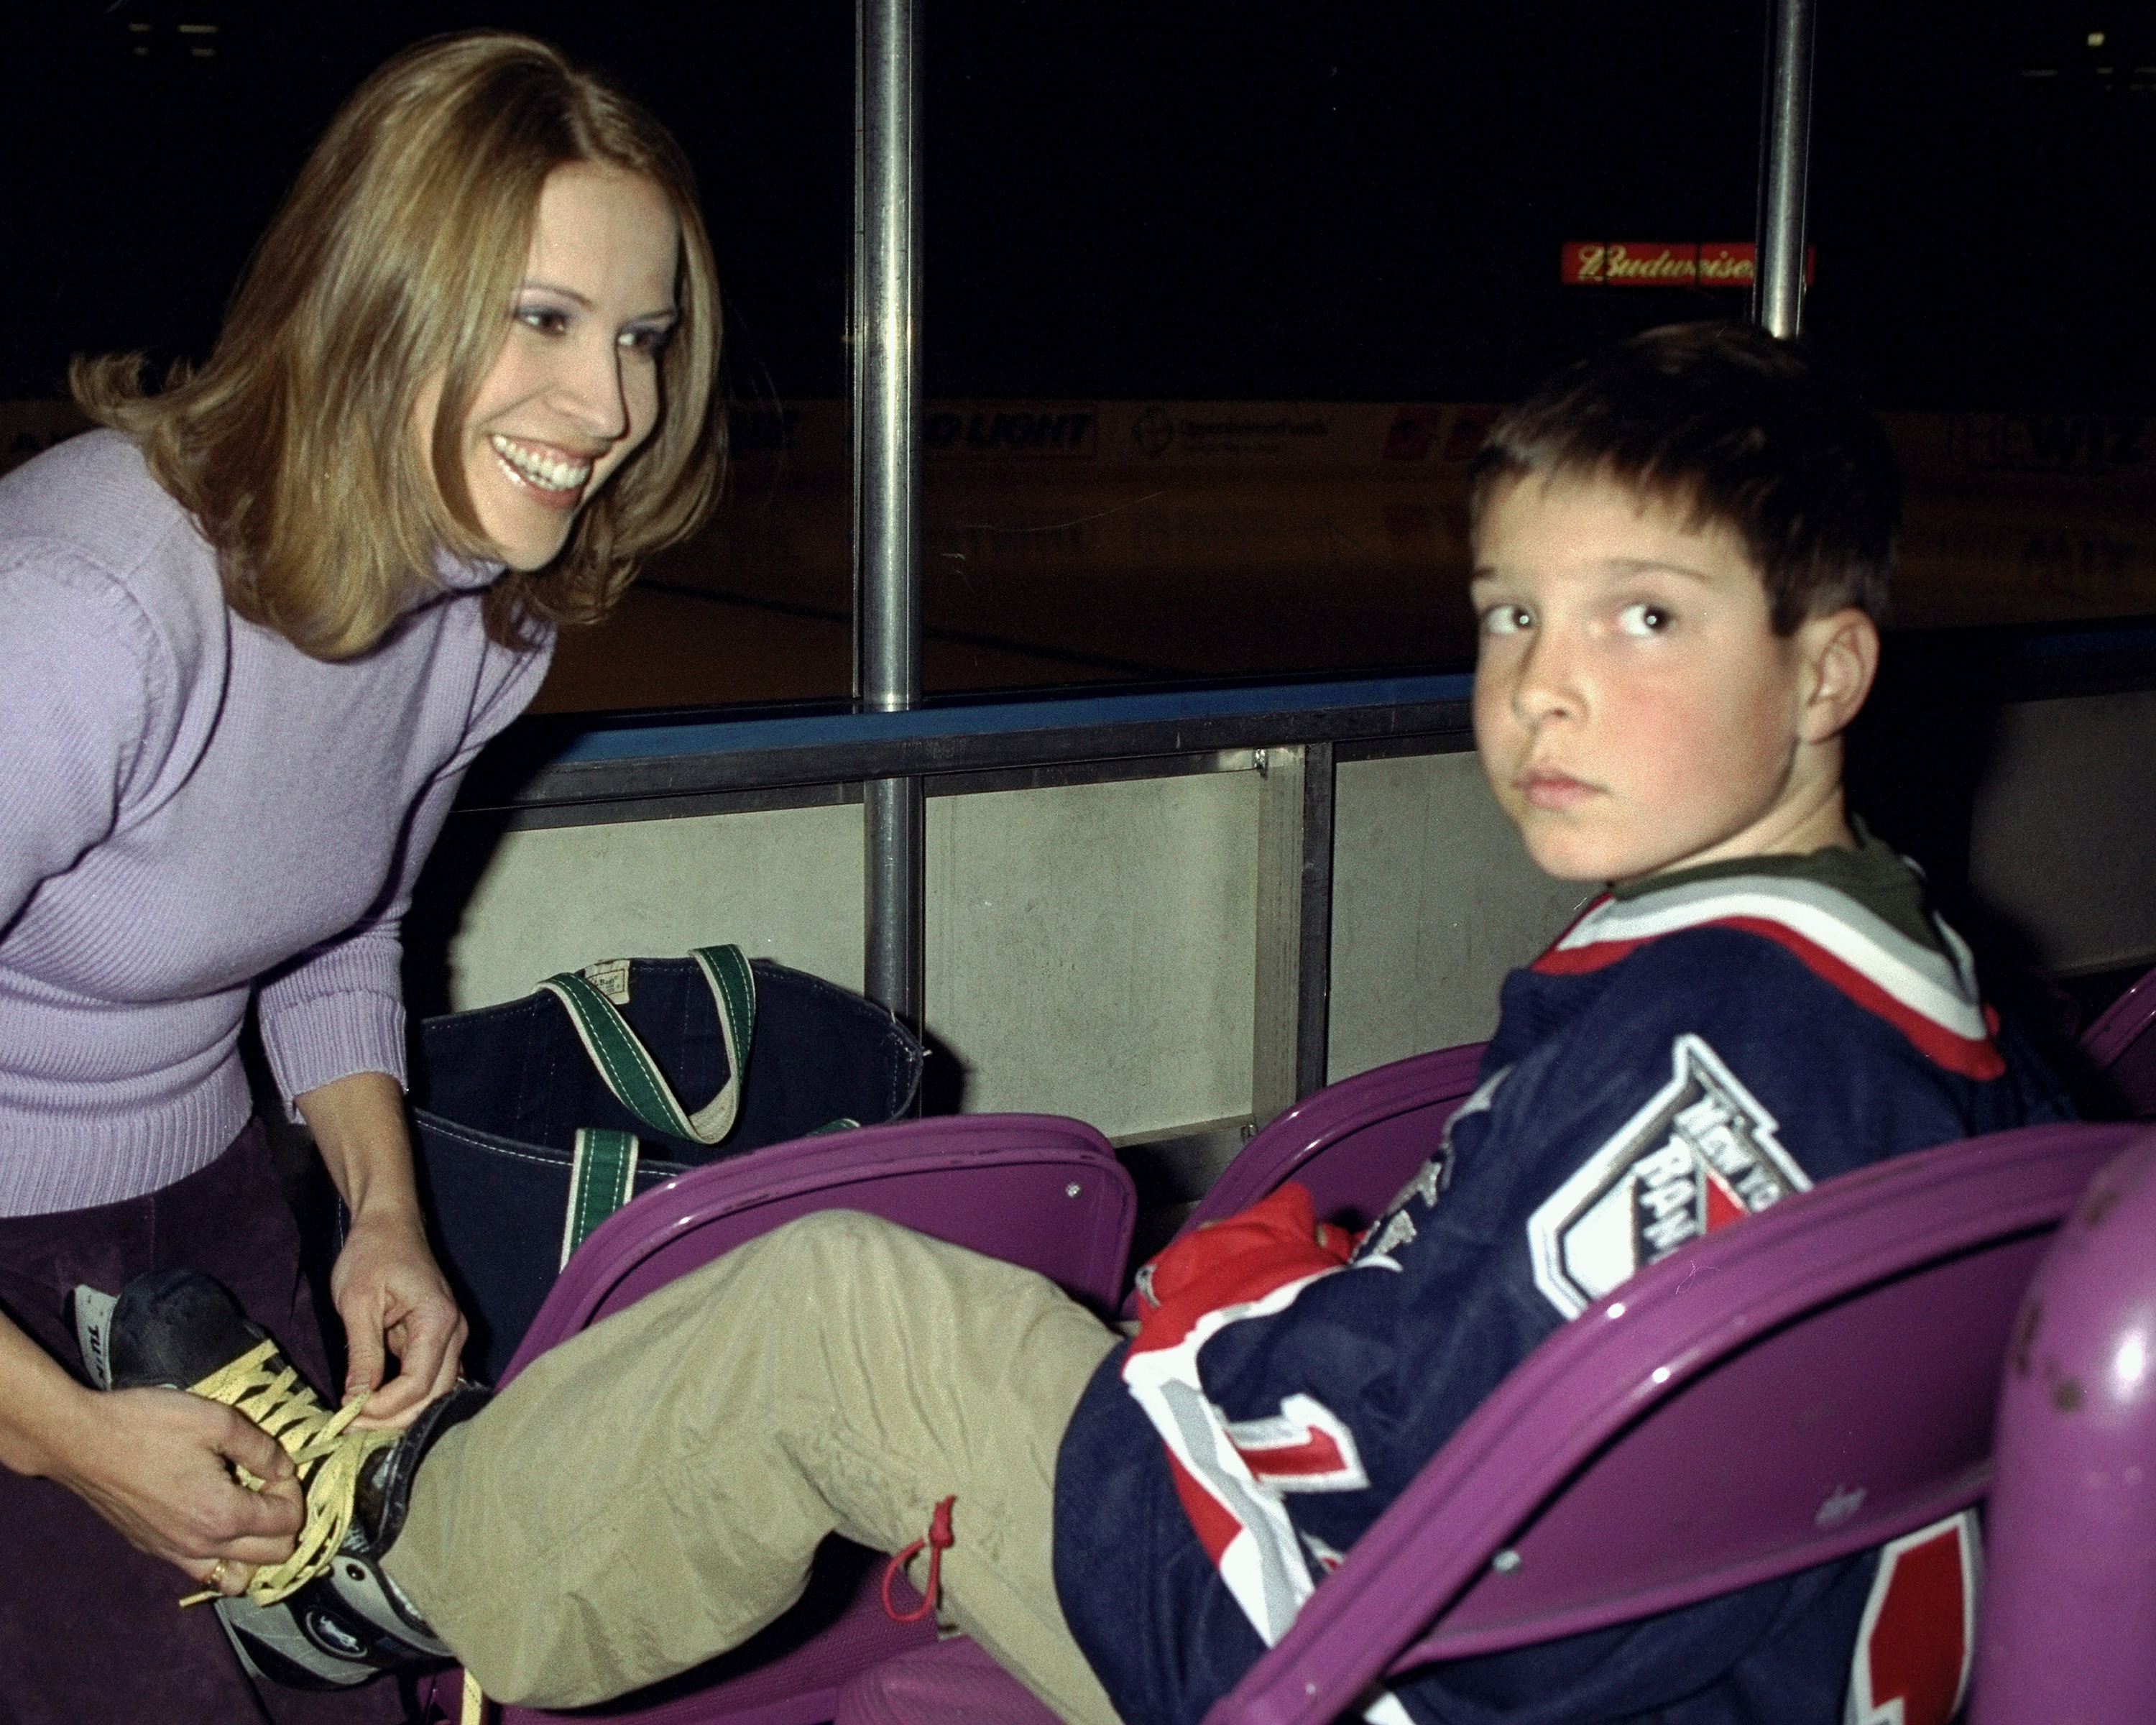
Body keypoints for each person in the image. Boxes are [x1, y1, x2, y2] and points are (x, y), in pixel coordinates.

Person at [122, 323, 2068, 1725]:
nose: (1541, 691)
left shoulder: (1697, 1039)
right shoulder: (1952, 1013)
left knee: (838, 1315)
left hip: (1328, 1650)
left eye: (1642, 618)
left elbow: (1467, 1530)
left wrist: (1241, 1334)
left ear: (1826, 667)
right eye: (1508, 615)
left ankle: (378, 1559)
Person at [0, 31, 721, 1724]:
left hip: (215, 1210)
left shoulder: (486, 611)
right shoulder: (90, 608)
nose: (608, 409)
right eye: (540, 320)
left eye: (640, 338)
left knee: (349, 1694)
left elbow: (344, 929)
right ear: (375, 292)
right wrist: (61, 1434)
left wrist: (382, 1214)